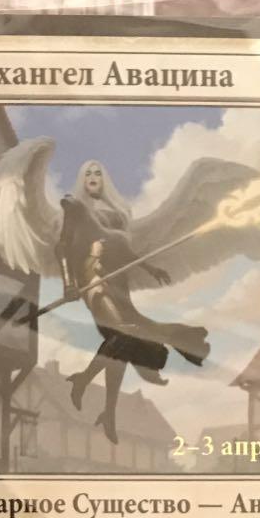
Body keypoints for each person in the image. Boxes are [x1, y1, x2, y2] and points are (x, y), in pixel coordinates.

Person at [57, 161, 210, 443]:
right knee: (123, 334)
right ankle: (85, 380)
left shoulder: (117, 212)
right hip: (94, 280)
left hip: (118, 282)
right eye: (88, 173)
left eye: (98, 173)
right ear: (81, 178)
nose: (93, 177)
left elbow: (123, 250)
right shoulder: (74, 206)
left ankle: (108, 411)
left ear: (105, 178)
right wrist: (68, 285)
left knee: (123, 342)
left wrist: (150, 269)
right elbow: (63, 247)